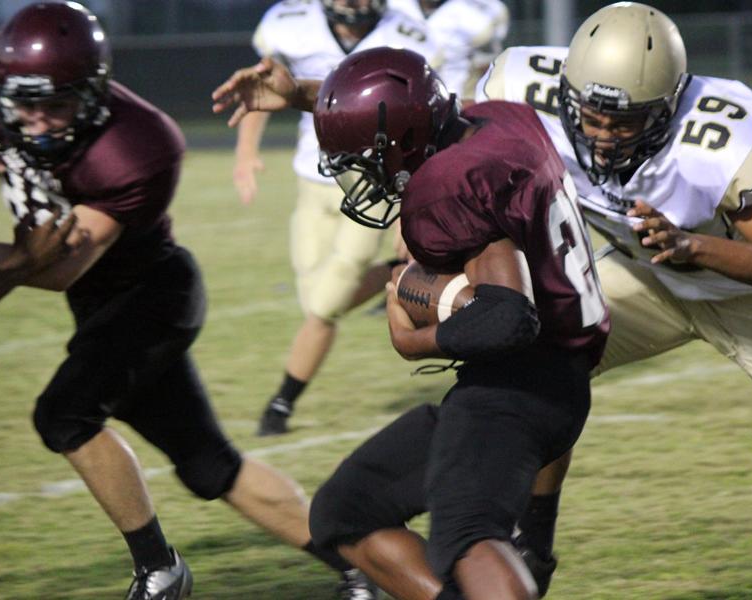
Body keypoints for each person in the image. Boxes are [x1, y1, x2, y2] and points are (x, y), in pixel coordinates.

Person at [475, 1, 752, 594]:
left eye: (624, 124)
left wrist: (692, 245)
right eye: (590, 117)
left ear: (666, 111)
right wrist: (310, 96)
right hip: (642, 280)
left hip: (742, 296)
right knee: (545, 359)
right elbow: (430, 121)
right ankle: (532, 544)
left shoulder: (713, 137)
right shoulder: (520, 88)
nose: (603, 136)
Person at [0, 4, 375, 599]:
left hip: (149, 296)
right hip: (99, 302)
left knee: (65, 414)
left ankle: (159, 570)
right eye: (22, 102)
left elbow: (55, 269)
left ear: (92, 93)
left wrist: (5, 265)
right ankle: (362, 565)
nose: (34, 121)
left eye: (54, 105)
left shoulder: (137, 146)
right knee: (210, 467)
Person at [214, 46, 609, 600]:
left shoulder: (447, 188)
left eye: (364, 159)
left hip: (520, 389)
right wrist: (303, 95)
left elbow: (509, 317)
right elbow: (408, 114)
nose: (362, 175)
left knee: (467, 536)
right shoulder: (502, 118)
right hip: (543, 380)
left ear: (400, 141)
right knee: (343, 510)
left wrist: (415, 340)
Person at [233, 0, 439, 437]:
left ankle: (281, 402)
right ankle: (398, 272)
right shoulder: (290, 24)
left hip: (374, 184)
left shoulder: (408, 34)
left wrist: (414, 199)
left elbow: (427, 119)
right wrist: (246, 152)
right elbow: (259, 90)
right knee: (313, 295)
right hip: (312, 176)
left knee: (326, 304)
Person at [389, 0, 509, 99]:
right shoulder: (393, 6)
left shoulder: (483, 12)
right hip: (397, 95)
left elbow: (488, 68)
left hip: (458, 102)